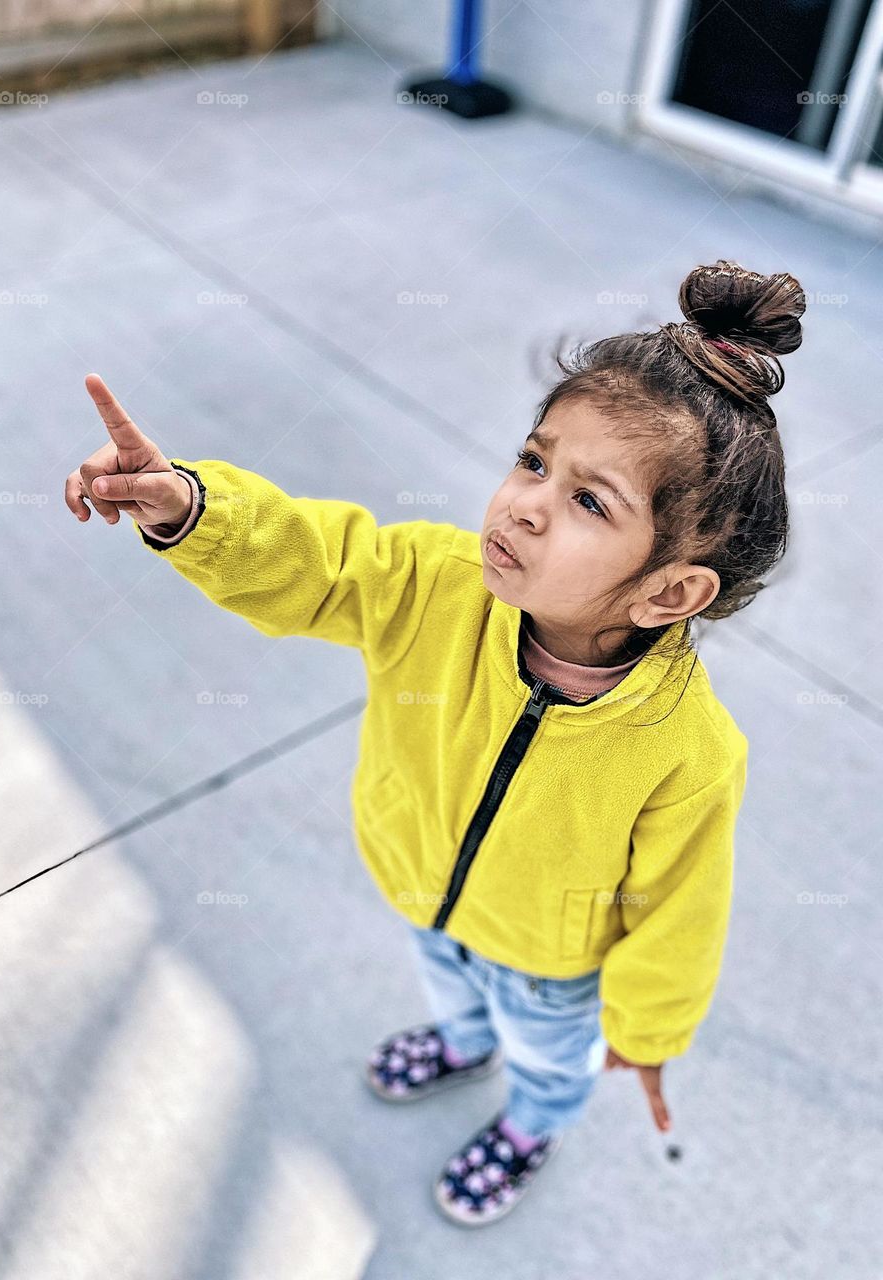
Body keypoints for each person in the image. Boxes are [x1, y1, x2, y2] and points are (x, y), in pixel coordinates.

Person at [65, 259, 805, 1227]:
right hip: (422, 881)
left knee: (546, 1059)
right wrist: (191, 509)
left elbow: (681, 906)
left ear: (669, 591)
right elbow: (315, 564)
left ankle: (530, 1125)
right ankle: (463, 1043)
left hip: (550, 963)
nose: (526, 503)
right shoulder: (433, 583)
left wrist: (649, 1029)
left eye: (590, 501)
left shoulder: (687, 748)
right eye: (534, 461)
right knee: (447, 984)